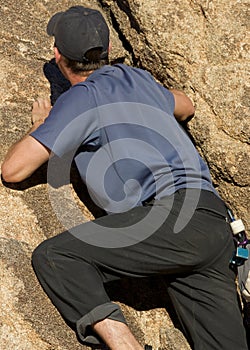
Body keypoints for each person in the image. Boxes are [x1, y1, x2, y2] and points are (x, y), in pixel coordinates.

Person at [1, 5, 248, 350]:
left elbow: (13, 170)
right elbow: (186, 105)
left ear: (58, 55)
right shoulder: (137, 79)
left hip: (169, 218)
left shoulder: (82, 98)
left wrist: (44, 123)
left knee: (58, 258)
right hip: (213, 222)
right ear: (108, 52)